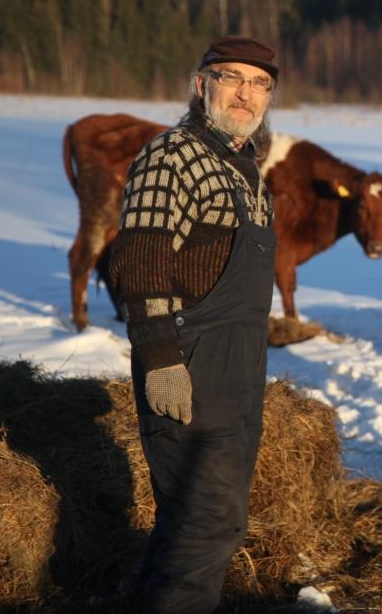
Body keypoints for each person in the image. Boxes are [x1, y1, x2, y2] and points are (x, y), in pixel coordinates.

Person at [109, 35, 278, 614]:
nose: (245, 93)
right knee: (204, 520)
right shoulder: (171, 155)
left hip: (239, 369)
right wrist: (160, 361)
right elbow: (142, 261)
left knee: (203, 521)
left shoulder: (246, 168)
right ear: (200, 84)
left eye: (259, 83)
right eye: (232, 77)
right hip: (189, 362)